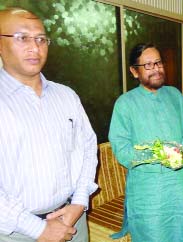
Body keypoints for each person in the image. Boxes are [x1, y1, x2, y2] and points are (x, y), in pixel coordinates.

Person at [0, 7, 98, 242]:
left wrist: (80, 201)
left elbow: (87, 147)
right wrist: (38, 229)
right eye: (22, 38)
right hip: (16, 232)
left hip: (72, 219)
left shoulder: (66, 96)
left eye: (41, 39)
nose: (35, 47)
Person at [108, 43, 183, 242]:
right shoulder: (125, 103)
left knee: (181, 234)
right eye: (148, 65)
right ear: (134, 71)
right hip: (147, 192)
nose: (156, 69)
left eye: (158, 63)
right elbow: (122, 149)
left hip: (177, 189)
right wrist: (159, 154)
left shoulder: (174, 95)